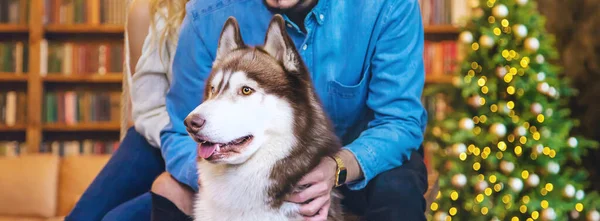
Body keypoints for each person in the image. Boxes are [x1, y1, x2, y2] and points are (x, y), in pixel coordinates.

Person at [153, 0, 430, 220]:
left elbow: (399, 121)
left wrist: (338, 167)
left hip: (360, 160)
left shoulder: (388, 5)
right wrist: (236, 188)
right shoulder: (208, 13)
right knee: (145, 200)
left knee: (399, 188)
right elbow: (180, 129)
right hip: (246, 176)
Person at [64, 0, 194, 220]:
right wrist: (176, 143)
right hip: (158, 133)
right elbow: (145, 106)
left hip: (209, 145)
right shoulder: (150, 13)